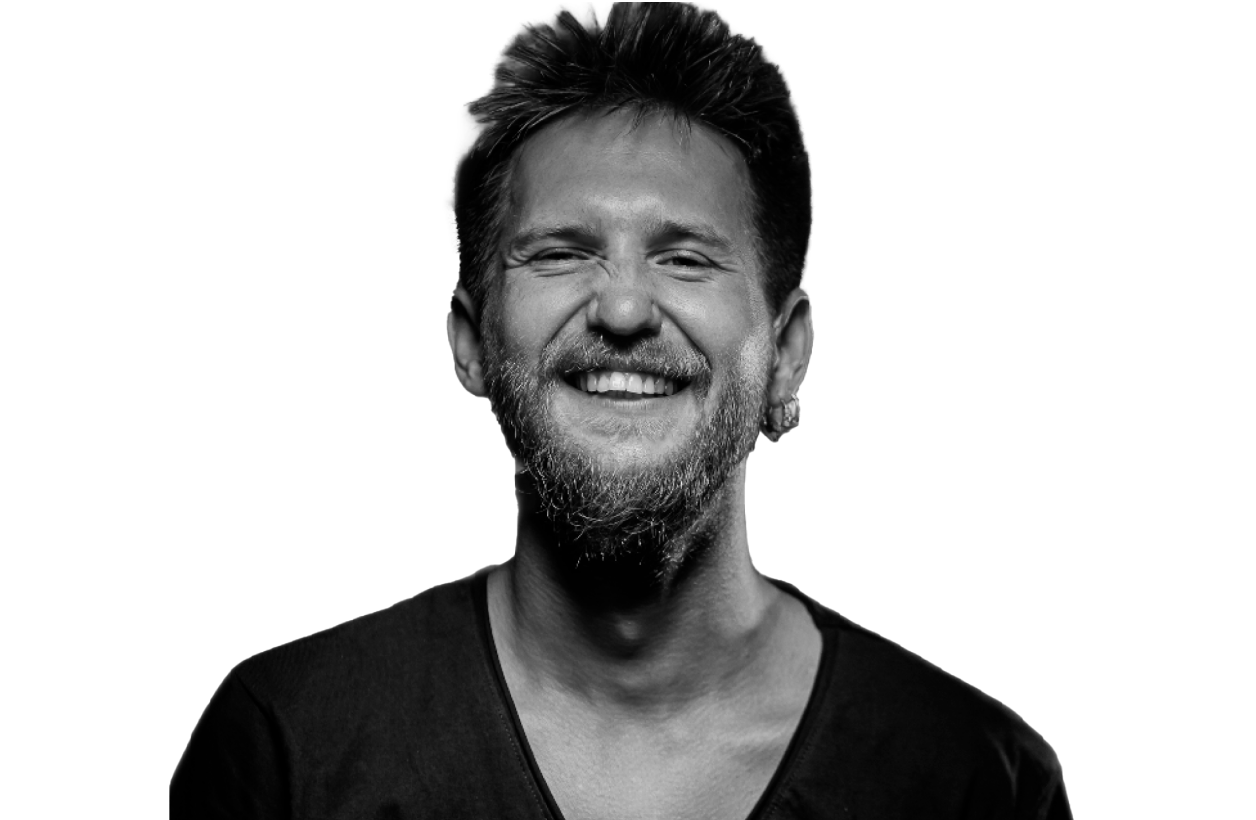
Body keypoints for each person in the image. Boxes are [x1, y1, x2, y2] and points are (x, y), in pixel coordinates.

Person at [170, 4, 1073, 818]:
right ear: (473, 341)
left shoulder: (976, 780)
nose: (625, 308)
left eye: (687, 259)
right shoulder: (288, 746)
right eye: (561, 253)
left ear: (787, 352)